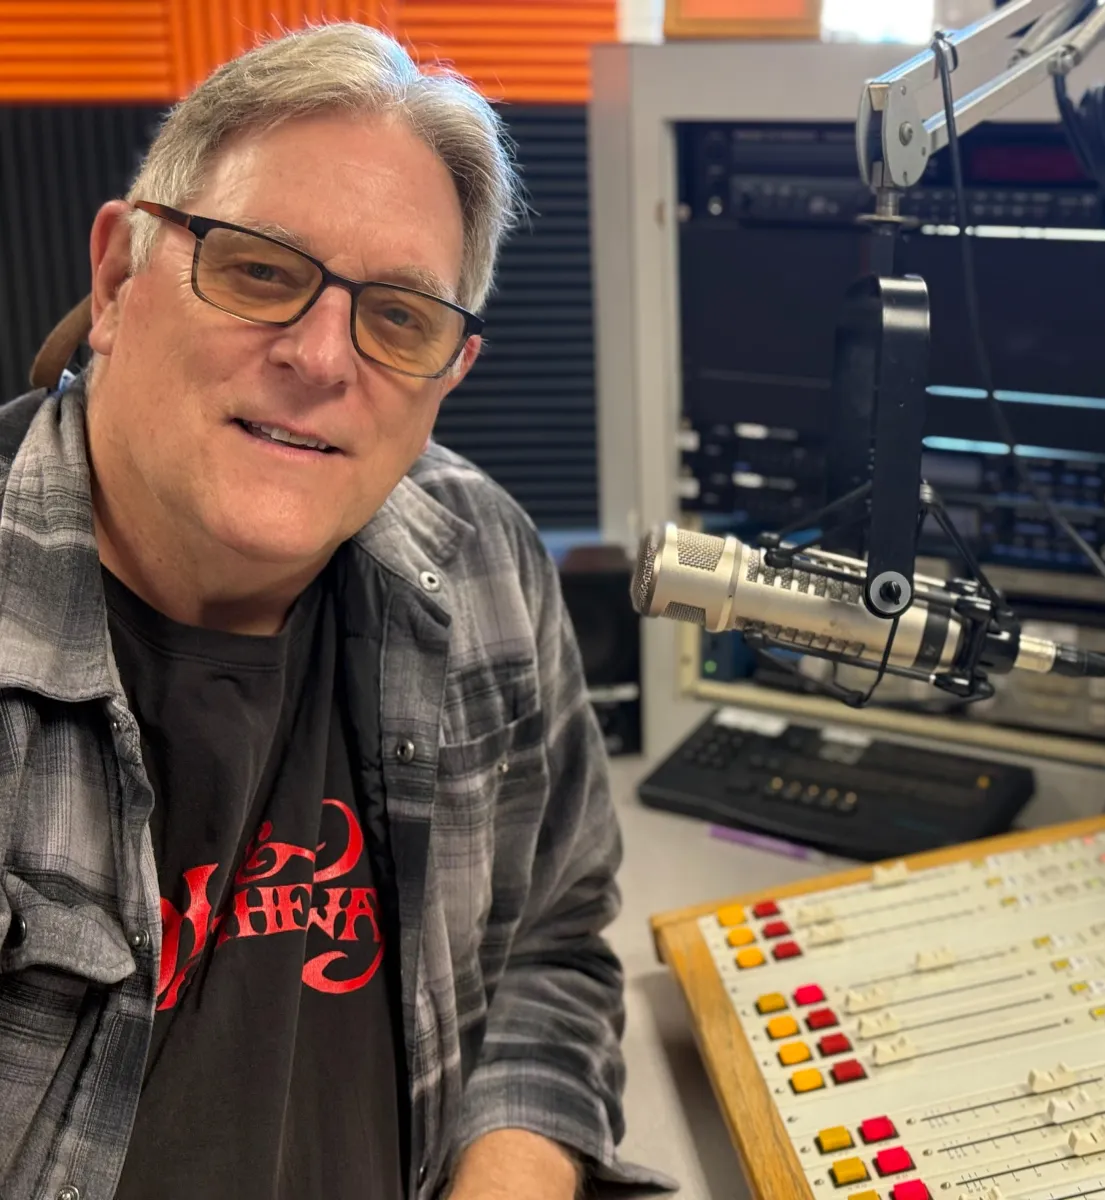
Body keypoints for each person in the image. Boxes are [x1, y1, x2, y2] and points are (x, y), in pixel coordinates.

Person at [0, 22, 668, 1200]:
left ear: (448, 375)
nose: (320, 358)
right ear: (116, 280)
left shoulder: (484, 561)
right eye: (260, 269)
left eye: (400, 316)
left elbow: (550, 947)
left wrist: (512, 1175)